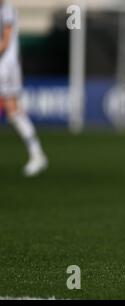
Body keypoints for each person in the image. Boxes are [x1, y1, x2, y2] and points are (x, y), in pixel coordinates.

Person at [0, 0, 48, 177]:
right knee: (13, 111)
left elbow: (5, 42)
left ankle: (37, 154)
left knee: (13, 111)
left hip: (7, 68)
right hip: (5, 67)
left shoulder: (7, 10)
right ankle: (37, 153)